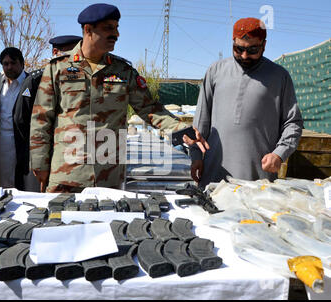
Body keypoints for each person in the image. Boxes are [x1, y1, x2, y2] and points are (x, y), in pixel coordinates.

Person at [30, 3, 207, 193]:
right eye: (108, 28)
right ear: (88, 30)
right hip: (66, 174)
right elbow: (41, 118)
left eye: (116, 28)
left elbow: (150, 110)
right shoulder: (57, 68)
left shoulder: (123, 71)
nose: (116, 34)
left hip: (108, 176)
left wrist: (182, 129)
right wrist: (39, 162)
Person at [189, 17, 303, 189]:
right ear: (232, 42)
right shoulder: (215, 71)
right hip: (213, 178)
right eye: (239, 48)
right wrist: (196, 156)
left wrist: (279, 154)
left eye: (253, 50)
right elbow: (200, 123)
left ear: (264, 45)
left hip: (257, 183)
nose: (244, 55)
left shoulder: (279, 77)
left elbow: (293, 123)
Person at [14, 35, 82, 191]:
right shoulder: (37, 79)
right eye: (70, 52)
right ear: (56, 52)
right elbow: (20, 119)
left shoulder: (79, 78)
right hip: (40, 154)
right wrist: (35, 148)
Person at [0, 47, 29, 188]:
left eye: (13, 63)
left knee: (23, 183)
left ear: (22, 63)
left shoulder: (32, 83)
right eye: (5, 64)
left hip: (23, 141)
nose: (9, 67)